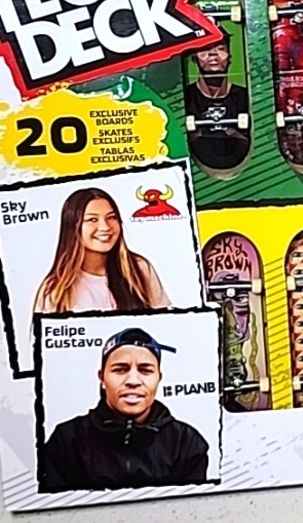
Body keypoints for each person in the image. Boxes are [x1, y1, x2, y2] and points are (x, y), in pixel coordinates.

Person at [39, 327, 210, 491]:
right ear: (102, 378)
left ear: (159, 377)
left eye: (145, 370)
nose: (133, 381)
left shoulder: (186, 444)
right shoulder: (67, 442)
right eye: (120, 370)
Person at [33, 188, 170, 313]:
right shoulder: (55, 290)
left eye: (112, 217)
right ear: (73, 227)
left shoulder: (139, 268)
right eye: (92, 219)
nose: (105, 227)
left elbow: (167, 322)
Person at [184, 31, 250, 170]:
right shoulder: (185, 99)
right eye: (204, 48)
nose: (213, 54)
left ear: (230, 58)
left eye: (220, 48)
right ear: (194, 58)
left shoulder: (246, 97)